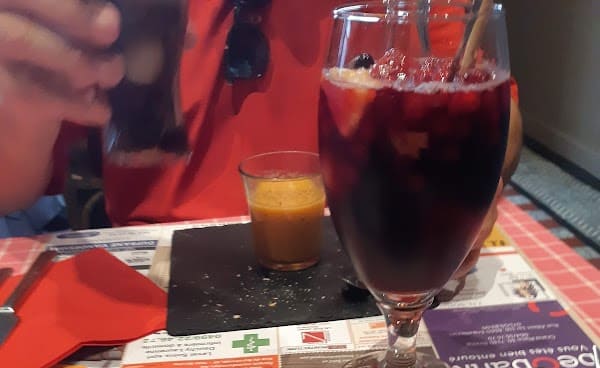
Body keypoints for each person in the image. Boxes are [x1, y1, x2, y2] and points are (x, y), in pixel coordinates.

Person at [0, 0, 522, 267]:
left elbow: (502, 122)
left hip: (365, 254)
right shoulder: (103, 11)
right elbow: (13, 187)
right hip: (153, 273)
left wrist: (460, 180)